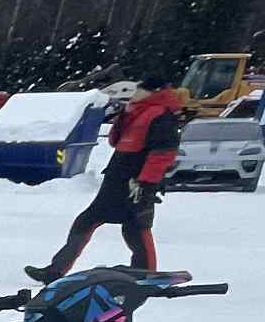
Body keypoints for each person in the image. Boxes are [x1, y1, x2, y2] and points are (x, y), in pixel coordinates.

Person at [26, 71, 185, 282]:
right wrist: (124, 115)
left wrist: (146, 183)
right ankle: (56, 271)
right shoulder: (139, 110)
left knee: (135, 229)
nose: (135, 92)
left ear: (151, 92)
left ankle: (146, 274)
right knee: (96, 223)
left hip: (136, 183)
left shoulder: (161, 115)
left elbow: (163, 153)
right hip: (118, 178)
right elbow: (115, 141)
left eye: (139, 89)